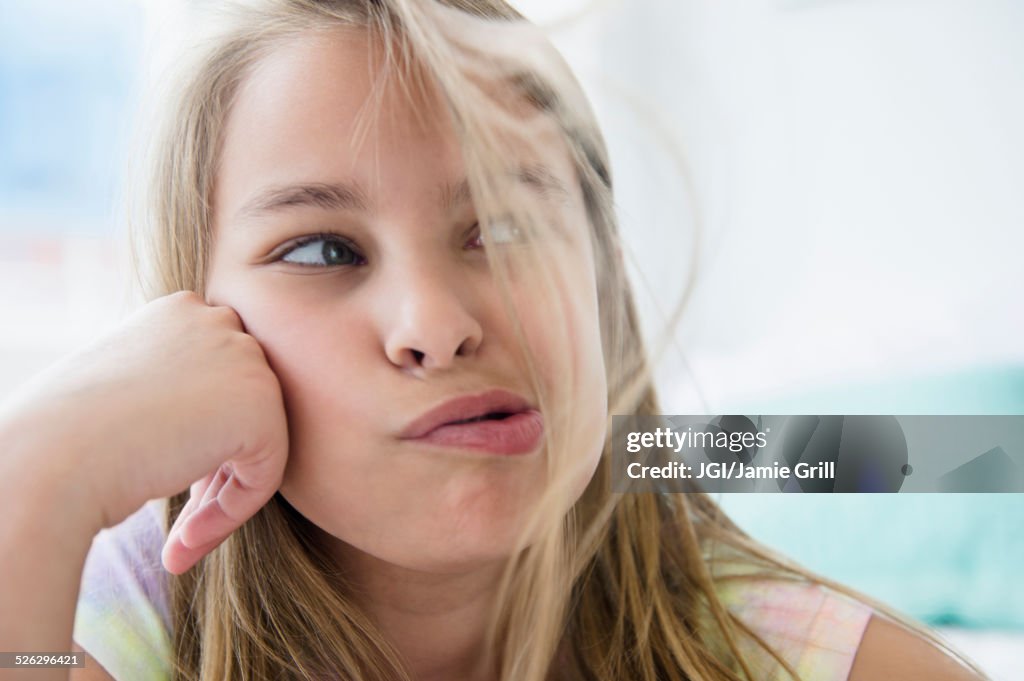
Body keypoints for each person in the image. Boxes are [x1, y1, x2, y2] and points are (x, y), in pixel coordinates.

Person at [0, 1, 989, 680]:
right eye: (320, 248)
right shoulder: (108, 621)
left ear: (602, 276)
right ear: (191, 324)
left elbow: (967, 453)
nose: (435, 323)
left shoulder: (775, 626)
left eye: (506, 229)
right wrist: (37, 473)